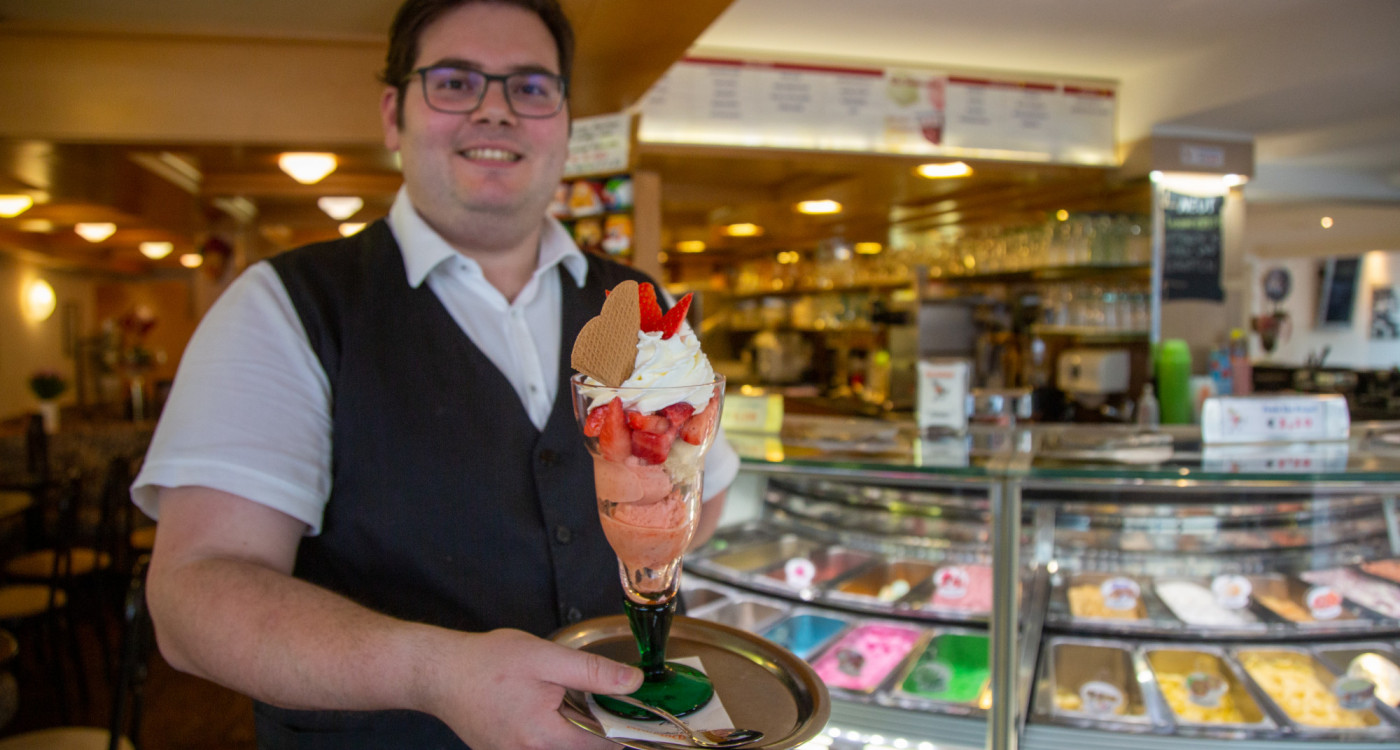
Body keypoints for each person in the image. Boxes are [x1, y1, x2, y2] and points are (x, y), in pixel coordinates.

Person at [131, 1, 740, 748]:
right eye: (454, 82)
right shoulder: (285, 305)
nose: (496, 111)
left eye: (531, 87)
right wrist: (434, 674)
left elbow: (701, 489)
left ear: (566, 122)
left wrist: (650, 553)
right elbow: (194, 593)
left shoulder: (641, 309)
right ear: (395, 114)